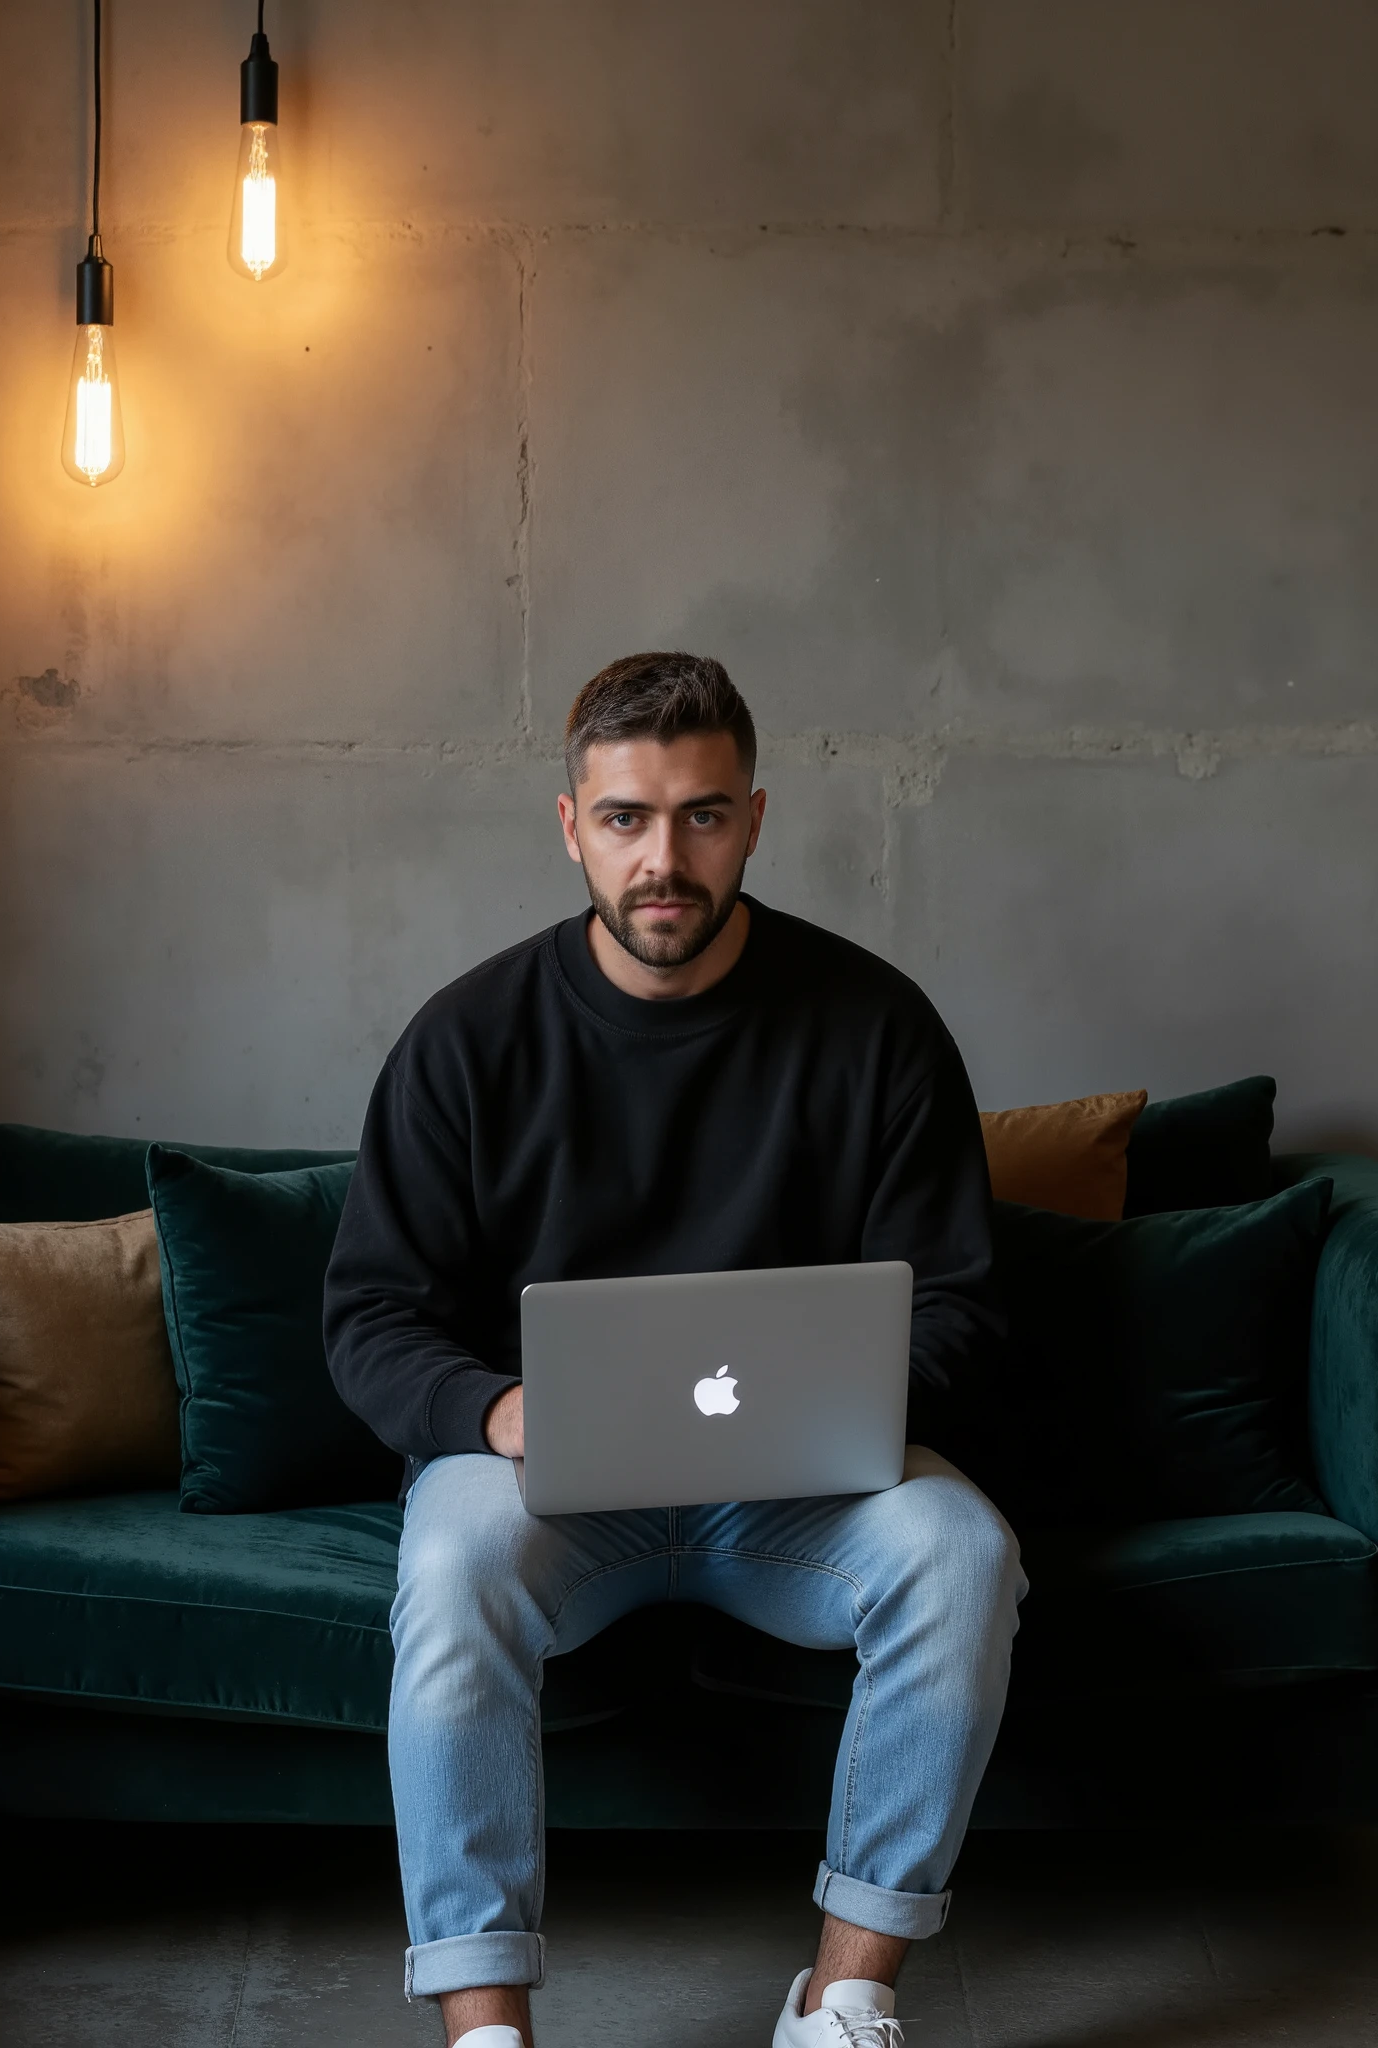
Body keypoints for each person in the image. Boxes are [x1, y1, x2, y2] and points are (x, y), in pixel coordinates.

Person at [325, 652, 1027, 2048]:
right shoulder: (466, 1041)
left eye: (702, 816)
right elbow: (368, 1319)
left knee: (963, 1556)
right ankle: (484, 2027)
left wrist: (842, 1398)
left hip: (810, 1489)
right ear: (572, 825)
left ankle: (844, 1999)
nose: (665, 858)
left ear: (756, 820)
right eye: (629, 818)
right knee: (453, 1558)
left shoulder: (876, 1027)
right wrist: (501, 1408)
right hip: (541, 1481)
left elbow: (965, 1306)